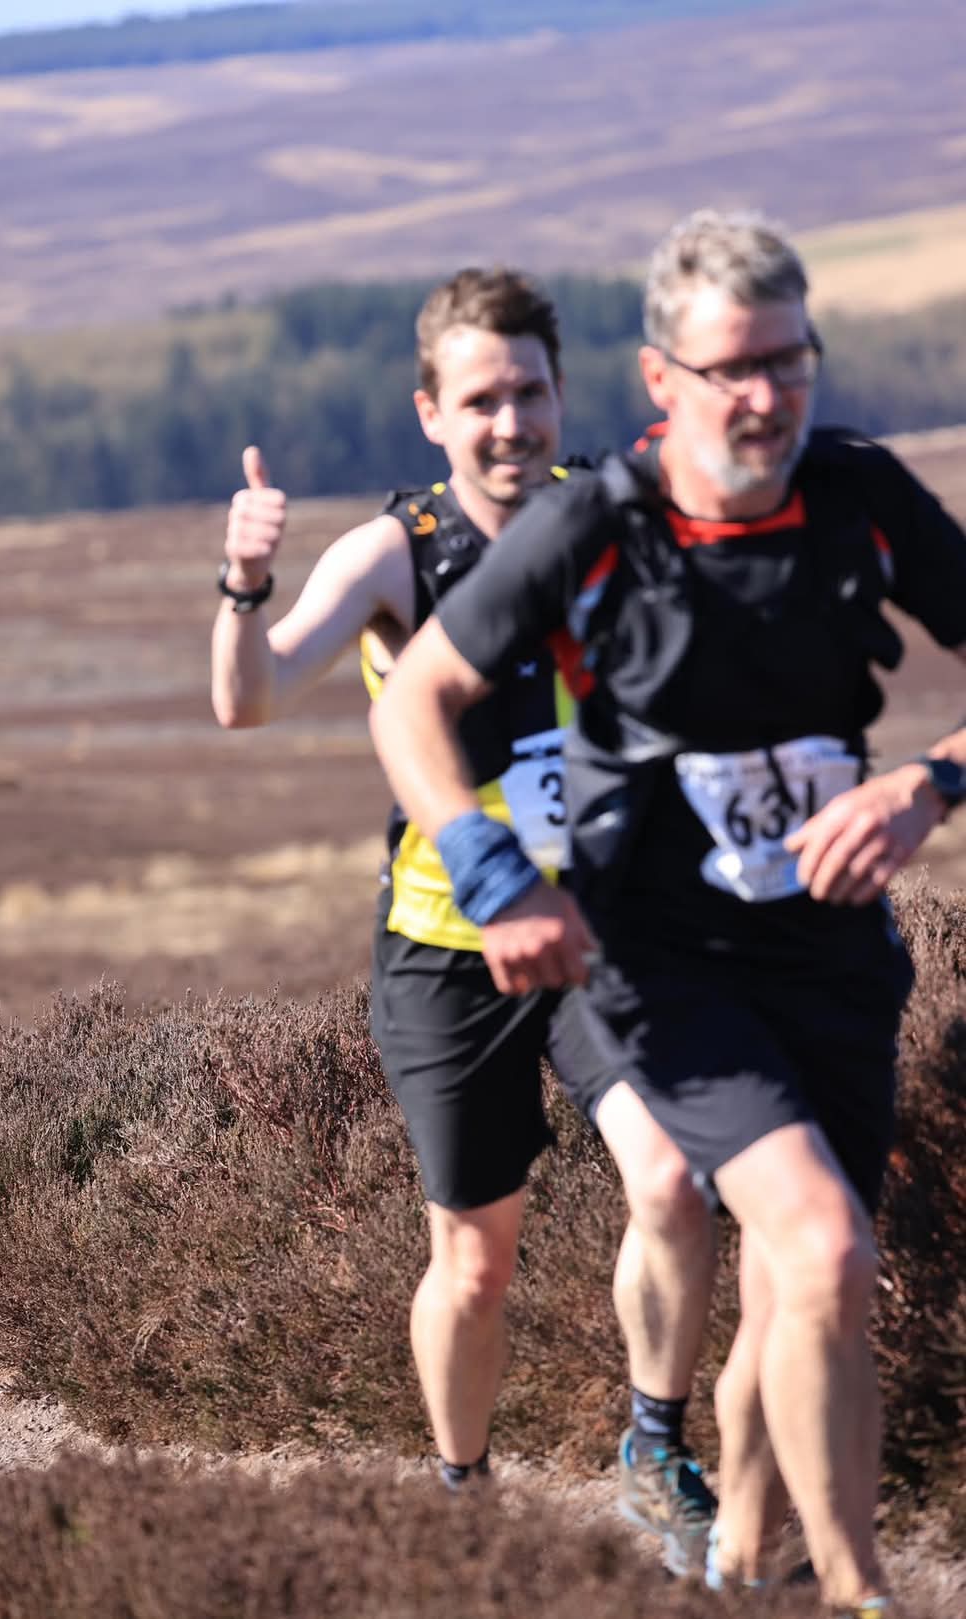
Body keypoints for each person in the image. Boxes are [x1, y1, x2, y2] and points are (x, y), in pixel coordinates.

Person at [368, 212, 966, 1617]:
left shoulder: (861, 494)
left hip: (832, 955)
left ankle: (745, 1570)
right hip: (660, 964)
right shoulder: (596, 526)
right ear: (660, 379)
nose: (764, 397)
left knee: (801, 1286)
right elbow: (415, 701)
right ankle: (859, 1593)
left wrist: (928, 785)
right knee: (824, 1246)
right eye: (730, 370)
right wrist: (494, 874)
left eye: (788, 362)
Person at [211, 267, 717, 1566]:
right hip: (447, 949)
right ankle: (462, 1497)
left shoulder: (612, 514)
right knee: (477, 1261)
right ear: (431, 411)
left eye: (530, 394)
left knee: (673, 1178)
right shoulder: (395, 552)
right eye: (481, 399)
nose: (511, 423)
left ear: (562, 395)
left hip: (604, 931)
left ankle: (656, 1452)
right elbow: (251, 699)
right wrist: (245, 583)